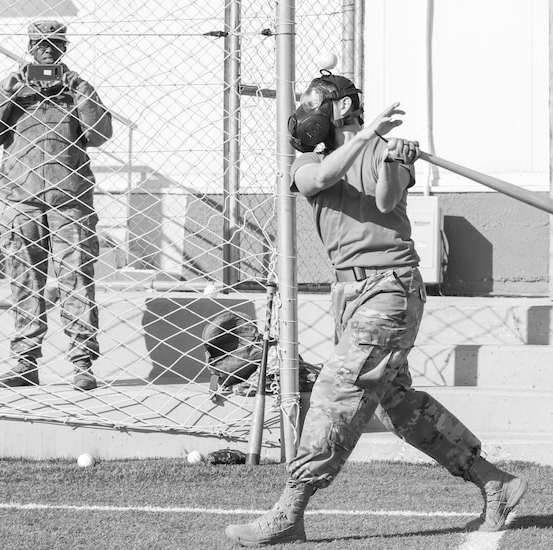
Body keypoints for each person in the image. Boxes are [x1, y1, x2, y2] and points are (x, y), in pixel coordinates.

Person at [224, 72, 527, 546]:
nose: (304, 113)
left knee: (337, 392)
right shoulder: (310, 161)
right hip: (348, 295)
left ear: (342, 107)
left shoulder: (388, 150)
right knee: (396, 404)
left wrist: (393, 160)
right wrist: (367, 137)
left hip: (390, 290)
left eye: (312, 102)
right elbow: (321, 179)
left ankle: (291, 510)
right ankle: (495, 483)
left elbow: (386, 202)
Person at [0, 21, 112, 391]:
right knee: (25, 282)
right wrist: (11, 92)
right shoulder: (13, 90)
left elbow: (99, 134)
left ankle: (82, 363)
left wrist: (78, 90)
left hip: (70, 201)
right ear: (30, 48)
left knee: (76, 281)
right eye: (41, 45)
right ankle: (25, 361)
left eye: (54, 45)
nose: (48, 51)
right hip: (22, 200)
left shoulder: (77, 89)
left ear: (64, 48)